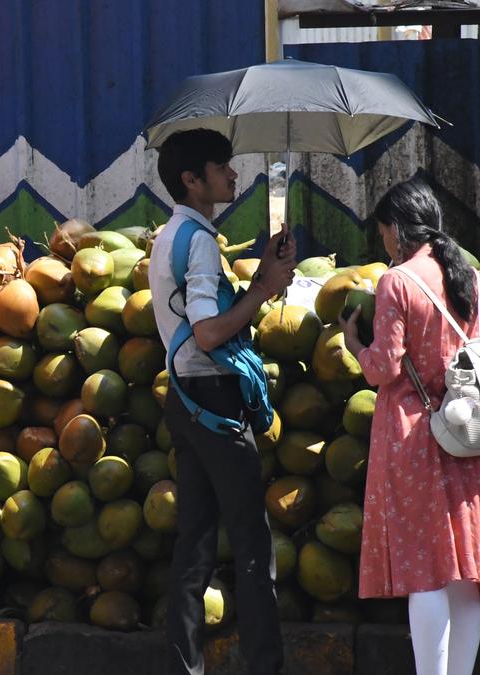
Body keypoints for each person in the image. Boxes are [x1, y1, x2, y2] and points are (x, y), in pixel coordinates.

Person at [338, 178, 480, 675]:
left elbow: (384, 369)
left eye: (383, 233)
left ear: (396, 230)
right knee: (463, 575)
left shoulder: (397, 281)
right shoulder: (474, 279)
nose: (383, 244)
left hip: (416, 434)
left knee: (426, 570)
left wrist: (354, 344)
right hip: (469, 431)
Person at [149, 129, 296, 675]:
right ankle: (266, 665)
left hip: (185, 403)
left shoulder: (172, 235)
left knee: (194, 546)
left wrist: (264, 275)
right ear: (193, 179)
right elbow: (209, 333)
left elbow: (196, 320)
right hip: (213, 402)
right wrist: (261, 291)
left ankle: (185, 666)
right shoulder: (202, 243)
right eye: (222, 167)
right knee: (254, 548)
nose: (233, 175)